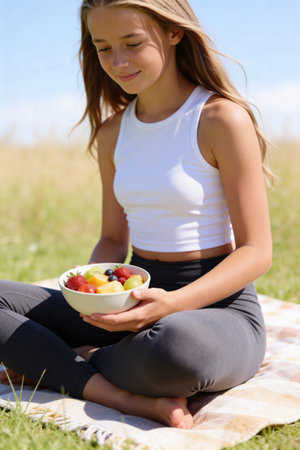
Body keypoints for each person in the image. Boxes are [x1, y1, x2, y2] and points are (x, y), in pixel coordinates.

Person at [0, 0, 274, 429]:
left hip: (215, 309)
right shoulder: (113, 133)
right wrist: (88, 299)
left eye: (132, 43)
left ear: (173, 33)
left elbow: (257, 251)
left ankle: (65, 360)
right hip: (131, 295)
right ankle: (119, 393)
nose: (118, 61)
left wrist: (172, 305)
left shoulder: (220, 119)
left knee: (175, 350)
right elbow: (113, 240)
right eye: (104, 47)